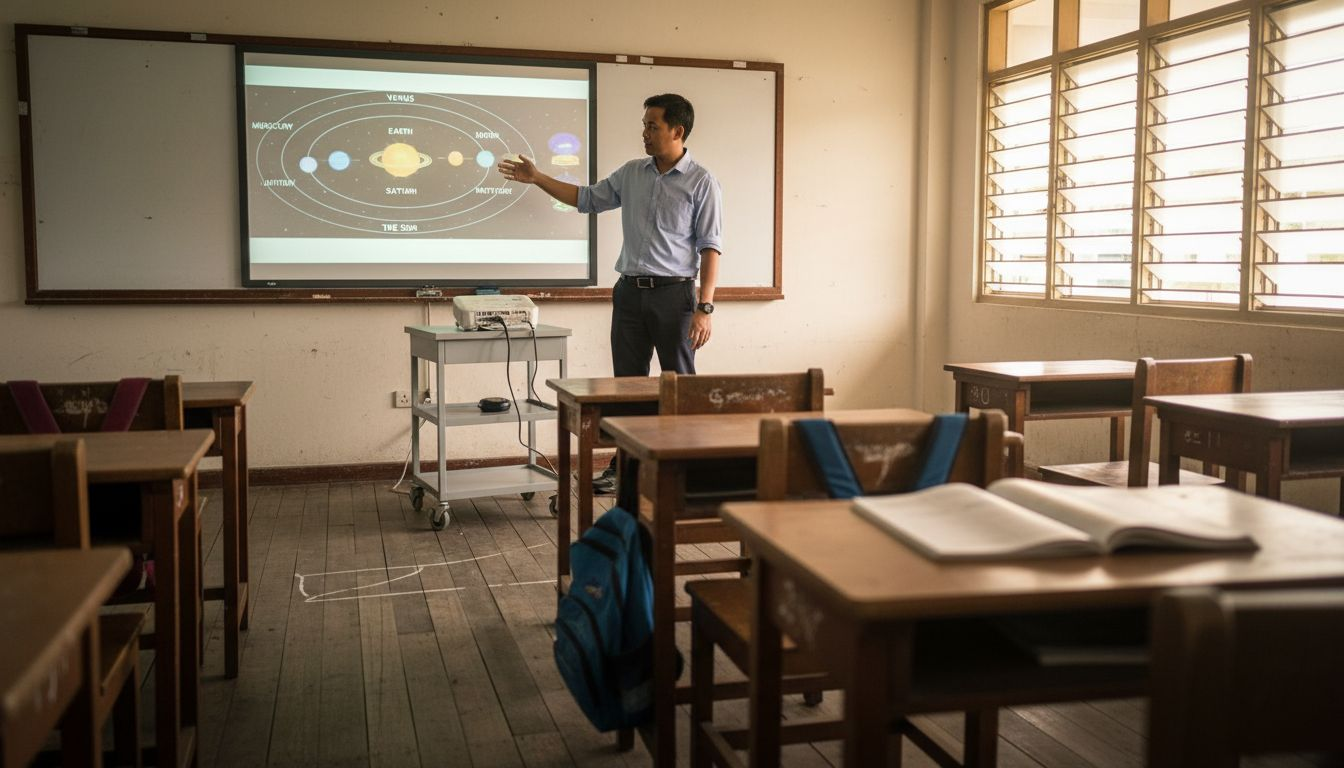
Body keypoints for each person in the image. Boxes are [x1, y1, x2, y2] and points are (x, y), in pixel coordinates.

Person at [499, 93, 722, 490]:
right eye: (644, 125)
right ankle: (627, 469)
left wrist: (705, 307)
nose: (645, 133)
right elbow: (585, 199)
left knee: (678, 387)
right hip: (630, 295)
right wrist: (538, 178)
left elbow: (710, 247)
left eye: (652, 126)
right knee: (628, 387)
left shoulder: (701, 181)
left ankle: (684, 470)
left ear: (677, 130)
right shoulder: (632, 173)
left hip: (676, 296)